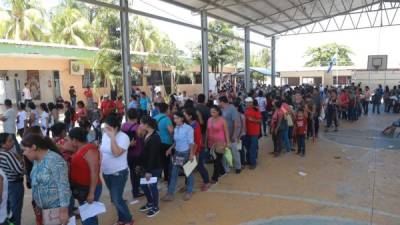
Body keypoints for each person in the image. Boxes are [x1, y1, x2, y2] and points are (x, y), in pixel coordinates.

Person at [21, 134, 71, 225]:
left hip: (56, 210)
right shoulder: (36, 160)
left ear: (33, 147)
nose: (23, 153)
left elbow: (63, 185)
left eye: (25, 150)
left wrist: (64, 211)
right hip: (45, 211)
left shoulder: (54, 160)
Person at [99, 113, 134, 225]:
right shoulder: (105, 135)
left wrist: (113, 137)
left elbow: (117, 153)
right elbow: (102, 151)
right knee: (115, 199)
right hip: (106, 172)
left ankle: (128, 219)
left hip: (119, 173)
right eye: (105, 127)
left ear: (116, 128)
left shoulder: (124, 137)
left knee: (116, 199)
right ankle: (121, 219)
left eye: (108, 128)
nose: (105, 130)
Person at [69, 127, 102, 225]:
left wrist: (91, 193)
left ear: (75, 140)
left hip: (90, 188)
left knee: (88, 218)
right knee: (88, 216)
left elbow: (94, 172)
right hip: (83, 188)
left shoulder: (90, 150)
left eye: (70, 139)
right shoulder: (79, 148)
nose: (69, 142)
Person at [163, 112, 195, 202]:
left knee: (188, 173)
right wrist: (170, 148)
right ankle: (170, 194)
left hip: (186, 153)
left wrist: (191, 154)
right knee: (174, 173)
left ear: (182, 118)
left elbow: (191, 143)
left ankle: (189, 191)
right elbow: (176, 142)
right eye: (174, 118)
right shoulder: (176, 128)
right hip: (178, 153)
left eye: (176, 118)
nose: (175, 120)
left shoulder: (188, 129)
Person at [138, 116, 163, 217]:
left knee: (153, 186)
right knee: (144, 185)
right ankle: (150, 202)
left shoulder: (155, 137)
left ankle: (155, 206)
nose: (140, 125)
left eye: (141, 124)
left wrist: (148, 171)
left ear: (147, 125)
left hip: (154, 167)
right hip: (147, 166)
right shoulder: (146, 134)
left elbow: (153, 156)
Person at [121, 109, 144, 203]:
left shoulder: (124, 126)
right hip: (138, 152)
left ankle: (135, 189)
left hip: (128, 153)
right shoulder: (138, 127)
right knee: (139, 172)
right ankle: (137, 190)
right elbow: (142, 137)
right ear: (137, 116)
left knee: (133, 173)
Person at [184, 107, 210, 191]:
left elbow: (197, 140)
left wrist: (196, 152)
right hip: (192, 149)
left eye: (185, 115)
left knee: (199, 166)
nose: (184, 117)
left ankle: (206, 182)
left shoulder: (195, 125)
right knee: (188, 167)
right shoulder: (189, 124)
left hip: (197, 149)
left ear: (190, 116)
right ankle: (187, 184)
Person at [0, 133, 24, 225]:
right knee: (15, 210)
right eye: (10, 141)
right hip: (14, 185)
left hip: (7, 185)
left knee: (8, 209)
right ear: (2, 144)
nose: (13, 142)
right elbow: (20, 170)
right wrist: (20, 160)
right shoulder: (7, 155)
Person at [206, 105, 230, 184]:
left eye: (214, 112)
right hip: (211, 143)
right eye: (211, 112)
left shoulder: (222, 120)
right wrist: (205, 141)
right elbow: (207, 131)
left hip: (220, 143)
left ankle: (214, 177)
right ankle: (222, 171)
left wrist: (228, 142)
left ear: (218, 112)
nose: (212, 114)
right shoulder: (209, 120)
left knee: (216, 160)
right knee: (215, 159)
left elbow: (226, 132)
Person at [219, 96, 241, 174]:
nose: (219, 103)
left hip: (232, 134)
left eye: (219, 102)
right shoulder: (221, 110)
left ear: (223, 102)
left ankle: (238, 166)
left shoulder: (232, 109)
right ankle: (226, 168)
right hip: (224, 134)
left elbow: (235, 123)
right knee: (225, 151)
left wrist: (234, 135)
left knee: (234, 151)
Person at [153, 103, 173, 183]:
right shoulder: (167, 119)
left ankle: (158, 175)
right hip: (166, 142)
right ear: (166, 110)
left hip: (157, 142)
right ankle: (166, 177)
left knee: (159, 159)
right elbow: (171, 131)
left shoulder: (154, 118)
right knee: (167, 161)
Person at [243, 97, 262, 169]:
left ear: (251, 103)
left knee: (252, 148)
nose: (246, 104)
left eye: (248, 103)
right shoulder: (246, 110)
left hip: (254, 133)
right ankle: (248, 161)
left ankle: (253, 163)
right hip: (247, 132)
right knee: (248, 148)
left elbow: (260, 121)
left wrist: (252, 120)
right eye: (246, 103)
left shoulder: (256, 110)